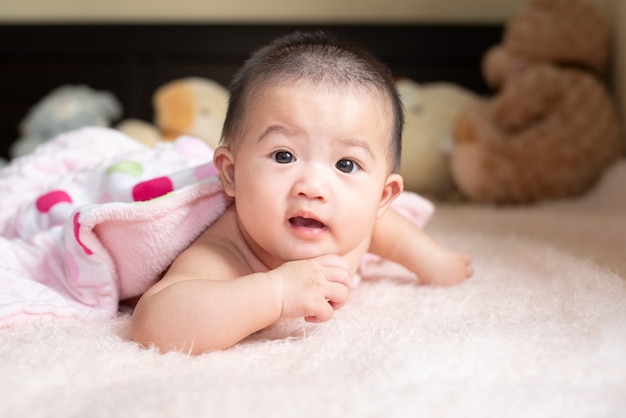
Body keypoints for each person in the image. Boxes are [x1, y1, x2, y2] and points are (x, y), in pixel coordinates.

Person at [131, 31, 473, 354]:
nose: (312, 187)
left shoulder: (357, 219)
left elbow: (386, 229)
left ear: (382, 198)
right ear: (232, 174)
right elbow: (154, 325)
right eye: (284, 156)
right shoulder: (227, 250)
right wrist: (274, 293)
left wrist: (432, 260)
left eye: (346, 165)